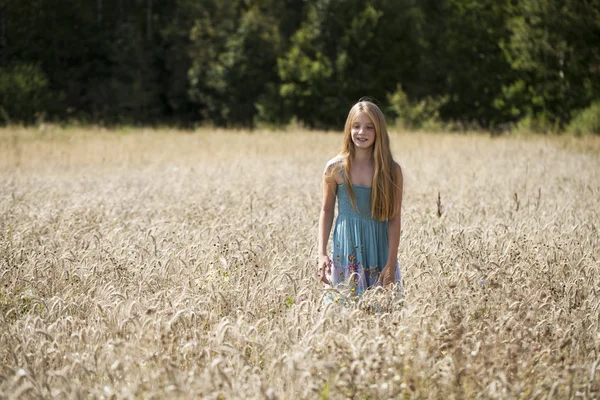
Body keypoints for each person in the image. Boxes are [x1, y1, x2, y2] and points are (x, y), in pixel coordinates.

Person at [317, 99, 403, 298]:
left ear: (378, 131)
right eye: (356, 126)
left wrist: (391, 262)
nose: (361, 132)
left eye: (369, 127)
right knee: (343, 312)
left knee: (383, 314)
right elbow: (327, 210)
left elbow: (394, 218)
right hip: (346, 249)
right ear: (349, 129)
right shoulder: (335, 168)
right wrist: (321, 253)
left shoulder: (391, 170)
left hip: (379, 250)